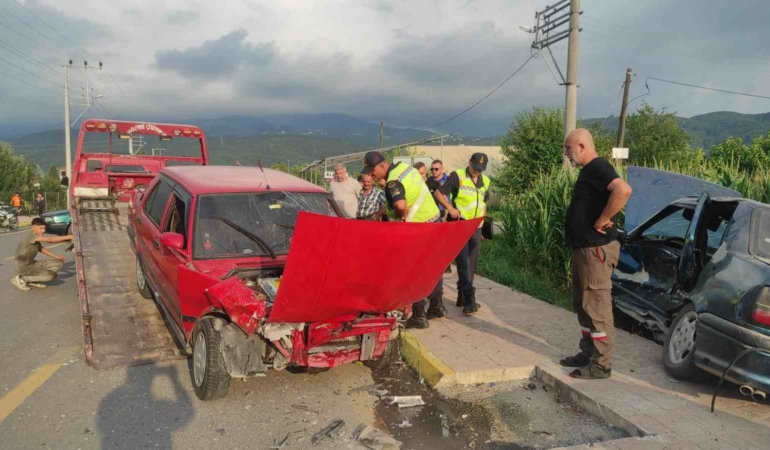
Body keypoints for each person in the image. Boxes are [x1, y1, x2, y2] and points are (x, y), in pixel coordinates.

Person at [559, 128, 632, 380]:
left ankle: (601, 364)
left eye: (568, 149)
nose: (566, 154)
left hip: (596, 252)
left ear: (581, 146)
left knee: (597, 307)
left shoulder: (599, 167)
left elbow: (623, 190)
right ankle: (587, 353)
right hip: (584, 249)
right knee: (582, 304)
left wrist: (603, 219)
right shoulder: (589, 171)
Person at [361, 151, 444, 329]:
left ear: (383, 165)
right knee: (433, 266)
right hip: (434, 221)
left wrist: (400, 214)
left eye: (372, 170)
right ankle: (437, 305)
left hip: (418, 228)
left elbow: (400, 205)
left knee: (414, 271)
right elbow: (413, 194)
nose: (371, 175)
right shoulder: (406, 169)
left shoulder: (392, 182)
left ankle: (419, 315)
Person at [434, 153, 490, 315]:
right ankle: (470, 301)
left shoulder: (485, 181)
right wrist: (450, 209)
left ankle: (462, 297)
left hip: (476, 228)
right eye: (475, 168)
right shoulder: (457, 176)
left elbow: (484, 204)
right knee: (464, 263)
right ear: (469, 163)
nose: (477, 172)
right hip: (460, 225)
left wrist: (483, 226)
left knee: (471, 265)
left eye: (480, 170)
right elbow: (439, 193)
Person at [11, 217, 73, 291]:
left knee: (59, 263)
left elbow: (41, 249)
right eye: (40, 228)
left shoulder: (36, 237)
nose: (43, 231)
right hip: (23, 267)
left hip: (32, 264)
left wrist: (57, 257)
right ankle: (22, 279)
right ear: (33, 228)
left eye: (44, 228)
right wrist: (69, 236)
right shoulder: (30, 236)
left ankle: (33, 280)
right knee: (51, 276)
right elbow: (50, 239)